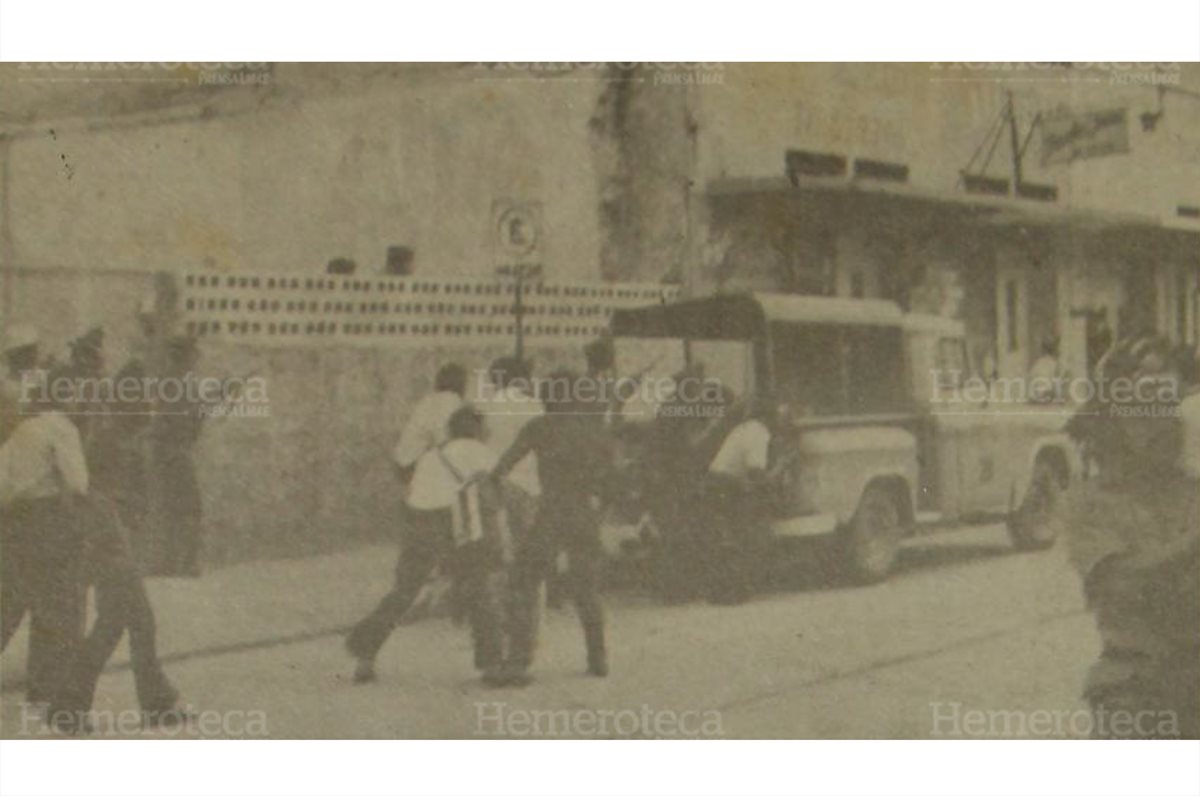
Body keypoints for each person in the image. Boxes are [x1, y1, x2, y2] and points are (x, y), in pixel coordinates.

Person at [1064, 334, 1199, 738]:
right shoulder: (1090, 501)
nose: (1156, 425)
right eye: (1141, 412)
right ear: (1112, 418)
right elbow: (1123, 582)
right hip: (1135, 691)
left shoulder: (1190, 486)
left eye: (1167, 409)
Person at [346, 406, 499, 684]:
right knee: (479, 588)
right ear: (477, 430)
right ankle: (490, 665)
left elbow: (415, 491)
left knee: (404, 592)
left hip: (417, 521)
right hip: (453, 524)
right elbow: (496, 488)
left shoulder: (431, 456)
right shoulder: (479, 452)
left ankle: (365, 654)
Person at [489, 370, 613, 687]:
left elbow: (503, 466)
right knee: (586, 586)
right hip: (584, 513)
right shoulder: (593, 429)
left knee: (524, 579)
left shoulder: (540, 427)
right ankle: (597, 656)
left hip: (552, 512)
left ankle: (518, 660)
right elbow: (609, 478)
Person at [0, 368, 91, 731]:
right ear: (66, 396)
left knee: (11, 601)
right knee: (60, 608)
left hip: (14, 524)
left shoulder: (21, 430)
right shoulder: (60, 427)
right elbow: (79, 483)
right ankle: (46, 690)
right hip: (51, 521)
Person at [703, 393, 777, 604]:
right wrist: (774, 476)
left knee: (725, 538)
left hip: (716, 481)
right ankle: (737, 589)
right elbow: (756, 472)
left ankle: (722, 590)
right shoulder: (760, 433)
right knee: (745, 532)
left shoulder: (743, 428)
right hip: (727, 485)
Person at [391, 363, 466, 483]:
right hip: (415, 464)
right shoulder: (451, 401)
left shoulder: (429, 400)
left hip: (405, 462)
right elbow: (444, 441)